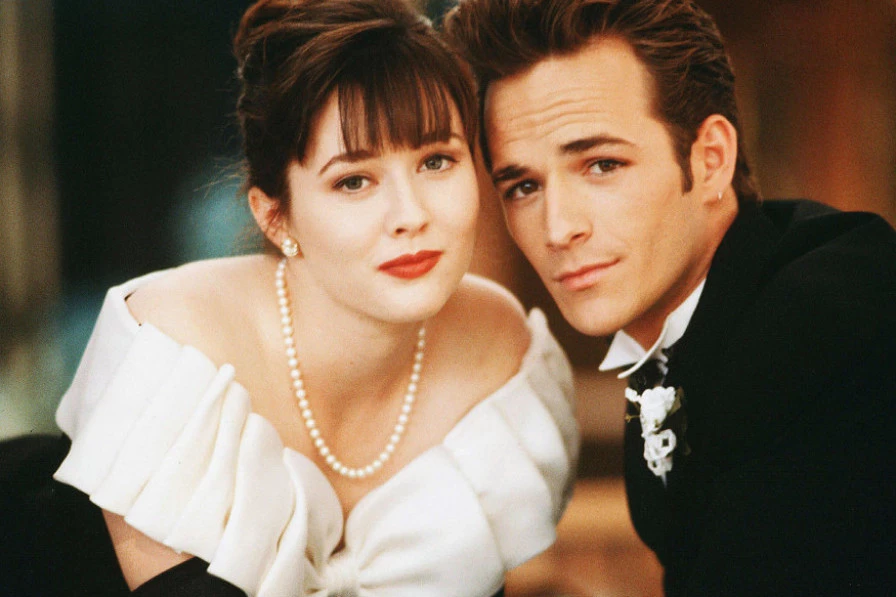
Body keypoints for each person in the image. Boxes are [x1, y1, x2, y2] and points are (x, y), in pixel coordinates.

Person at [0, 0, 579, 595]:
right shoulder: (176, 347)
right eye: (354, 180)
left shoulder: (501, 349)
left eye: (436, 161)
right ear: (275, 217)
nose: (411, 215)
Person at [444, 0, 896, 595]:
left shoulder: (830, 326)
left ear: (710, 161)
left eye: (602, 165)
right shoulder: (680, 337)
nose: (558, 228)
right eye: (524, 186)